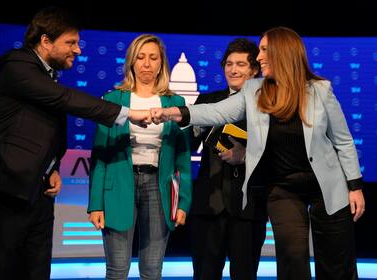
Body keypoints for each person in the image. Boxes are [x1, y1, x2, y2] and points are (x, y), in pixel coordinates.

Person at [151, 26, 365, 280]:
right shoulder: (255, 90)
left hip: (326, 185)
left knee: (335, 262)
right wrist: (176, 113)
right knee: (293, 256)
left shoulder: (320, 90)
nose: (260, 57)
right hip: (283, 189)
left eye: (264, 50)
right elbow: (219, 111)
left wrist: (354, 186)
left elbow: (343, 141)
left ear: (283, 52)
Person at [0, 7, 151, 280]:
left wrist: (52, 167)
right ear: (45, 41)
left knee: (37, 273)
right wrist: (126, 113)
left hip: (37, 195)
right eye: (70, 43)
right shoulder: (16, 65)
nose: (78, 51)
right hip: (0, 193)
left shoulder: (46, 75)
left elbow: (40, 128)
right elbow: (64, 99)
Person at [87, 34, 192, 280]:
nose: (146, 63)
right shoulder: (114, 100)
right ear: (131, 62)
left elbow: (182, 158)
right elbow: (100, 154)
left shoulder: (175, 102)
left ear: (161, 63)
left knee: (152, 270)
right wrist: (95, 204)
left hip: (159, 187)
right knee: (117, 270)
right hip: (118, 188)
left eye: (153, 57)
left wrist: (184, 203)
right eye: (141, 57)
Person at [189, 38, 267, 280]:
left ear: (254, 69)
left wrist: (246, 156)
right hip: (208, 203)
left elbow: (277, 153)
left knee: (244, 275)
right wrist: (194, 129)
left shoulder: (267, 104)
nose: (233, 70)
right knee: (204, 274)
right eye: (229, 64)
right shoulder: (207, 101)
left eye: (241, 64)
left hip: (248, 207)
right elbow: (189, 145)